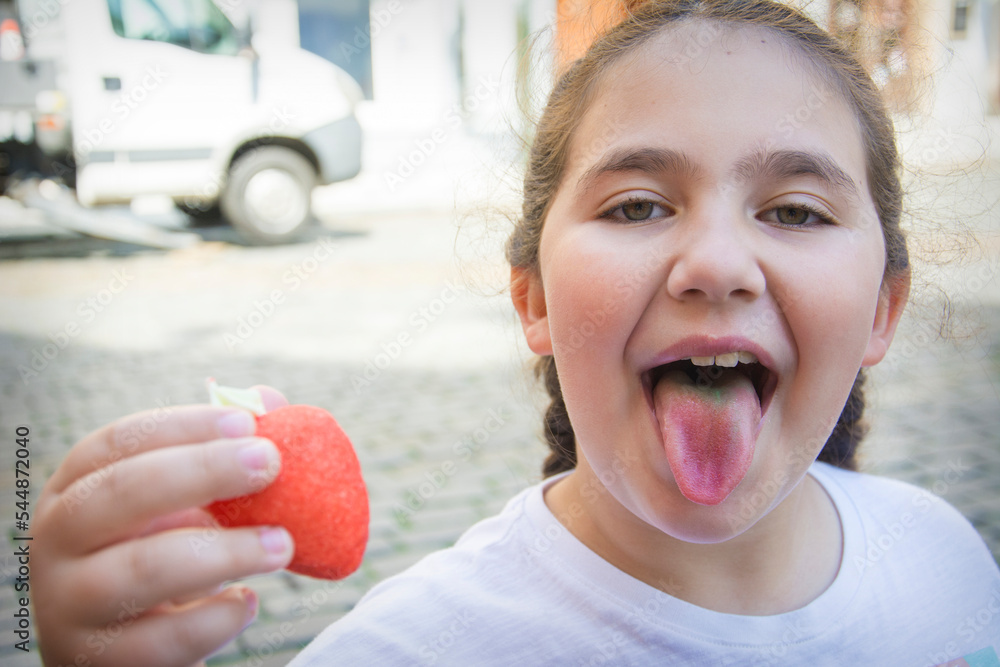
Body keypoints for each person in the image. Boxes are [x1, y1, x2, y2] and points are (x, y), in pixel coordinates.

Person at [32, 0, 1000, 664]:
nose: (715, 262)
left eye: (793, 211)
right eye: (634, 205)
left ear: (882, 307)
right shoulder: (403, 651)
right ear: (531, 297)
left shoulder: (947, 562)